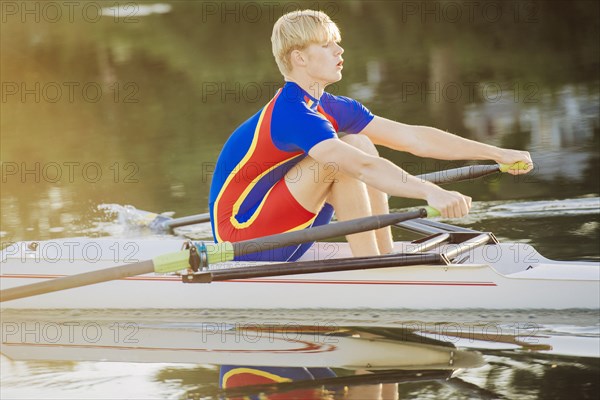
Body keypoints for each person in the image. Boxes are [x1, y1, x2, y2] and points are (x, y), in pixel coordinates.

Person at [209, 9, 532, 262]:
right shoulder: (293, 113)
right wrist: (429, 191)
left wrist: (497, 153)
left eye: (336, 42)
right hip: (243, 241)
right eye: (326, 44)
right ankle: (372, 267)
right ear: (299, 58)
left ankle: (383, 256)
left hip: (281, 230)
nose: (340, 49)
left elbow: (413, 138)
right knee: (342, 161)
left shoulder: (331, 106)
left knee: (359, 143)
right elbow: (361, 168)